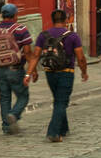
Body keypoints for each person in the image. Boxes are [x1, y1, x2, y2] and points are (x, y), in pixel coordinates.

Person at [29, 9, 88, 141]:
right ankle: (53, 132)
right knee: (61, 101)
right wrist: (84, 72)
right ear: (66, 20)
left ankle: (64, 128)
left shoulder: (43, 35)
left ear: (52, 20)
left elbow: (35, 55)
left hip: (50, 73)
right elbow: (81, 57)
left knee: (59, 99)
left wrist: (30, 73)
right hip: (66, 73)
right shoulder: (72, 36)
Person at [0, 3, 34, 135]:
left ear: (2, 15)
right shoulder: (21, 30)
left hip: (0, 69)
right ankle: (13, 114)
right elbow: (28, 52)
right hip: (16, 69)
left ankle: (7, 127)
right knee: (23, 96)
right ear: (15, 15)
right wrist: (32, 70)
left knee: (4, 98)